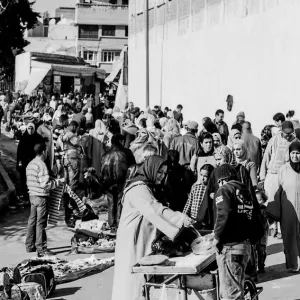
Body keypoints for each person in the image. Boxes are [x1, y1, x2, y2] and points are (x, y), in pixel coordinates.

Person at [111, 155, 194, 300]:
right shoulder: (138, 189)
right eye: (159, 172)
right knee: (133, 279)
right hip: (133, 242)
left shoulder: (148, 187)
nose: (161, 176)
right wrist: (179, 219)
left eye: (164, 173)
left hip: (141, 238)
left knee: (145, 276)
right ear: (151, 169)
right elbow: (155, 209)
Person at [213, 164, 263, 299]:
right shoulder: (244, 190)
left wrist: (216, 237)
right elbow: (254, 216)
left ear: (221, 180)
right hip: (244, 247)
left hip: (230, 248)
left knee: (231, 295)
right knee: (237, 289)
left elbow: (224, 213)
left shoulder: (224, 190)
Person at [25, 142, 64, 257]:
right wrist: (59, 182)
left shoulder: (30, 164)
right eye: (46, 150)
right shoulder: (41, 165)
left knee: (32, 221)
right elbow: (45, 184)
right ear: (43, 152)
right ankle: (41, 249)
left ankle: (29, 245)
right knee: (40, 223)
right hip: (41, 197)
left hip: (32, 196)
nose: (47, 152)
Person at [100, 134, 136, 231]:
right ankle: (120, 224)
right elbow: (133, 167)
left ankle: (112, 224)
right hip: (123, 181)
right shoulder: (126, 152)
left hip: (108, 182)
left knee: (111, 203)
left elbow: (102, 170)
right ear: (121, 141)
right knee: (120, 202)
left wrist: (104, 182)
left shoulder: (105, 155)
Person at [274, 141, 300, 272]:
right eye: (293, 153)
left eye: (298, 153)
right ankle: (292, 265)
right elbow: (278, 190)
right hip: (288, 211)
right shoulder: (283, 169)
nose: (295, 156)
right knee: (289, 237)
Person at [17, 123, 44, 202]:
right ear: (26, 129)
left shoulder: (38, 138)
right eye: (29, 128)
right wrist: (19, 162)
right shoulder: (23, 138)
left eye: (32, 128)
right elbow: (19, 152)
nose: (30, 130)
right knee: (24, 180)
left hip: (35, 163)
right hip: (25, 163)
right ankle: (26, 197)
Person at [61, 121, 82, 191]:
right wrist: (78, 136)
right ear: (74, 127)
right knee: (73, 180)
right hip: (73, 158)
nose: (77, 130)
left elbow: (58, 145)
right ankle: (72, 200)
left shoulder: (63, 133)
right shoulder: (71, 135)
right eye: (77, 128)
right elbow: (77, 142)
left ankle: (64, 200)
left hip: (65, 158)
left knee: (66, 181)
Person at [256, 190, 269, 273]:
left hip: (262, 233)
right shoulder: (253, 208)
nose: (258, 201)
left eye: (259, 199)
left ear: (263, 200)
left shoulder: (264, 209)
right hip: (255, 233)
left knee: (261, 251)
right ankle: (256, 266)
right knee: (255, 251)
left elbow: (267, 220)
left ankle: (261, 266)